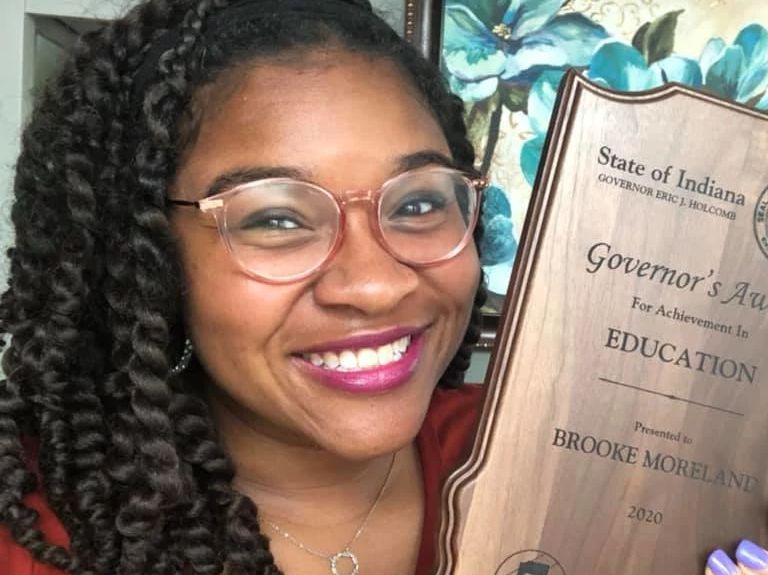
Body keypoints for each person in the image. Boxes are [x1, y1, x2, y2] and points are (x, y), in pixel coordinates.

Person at [0, 2, 764, 575]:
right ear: (146, 257)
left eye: (419, 202)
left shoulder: (571, 462)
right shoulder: (41, 541)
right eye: (274, 217)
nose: (374, 283)